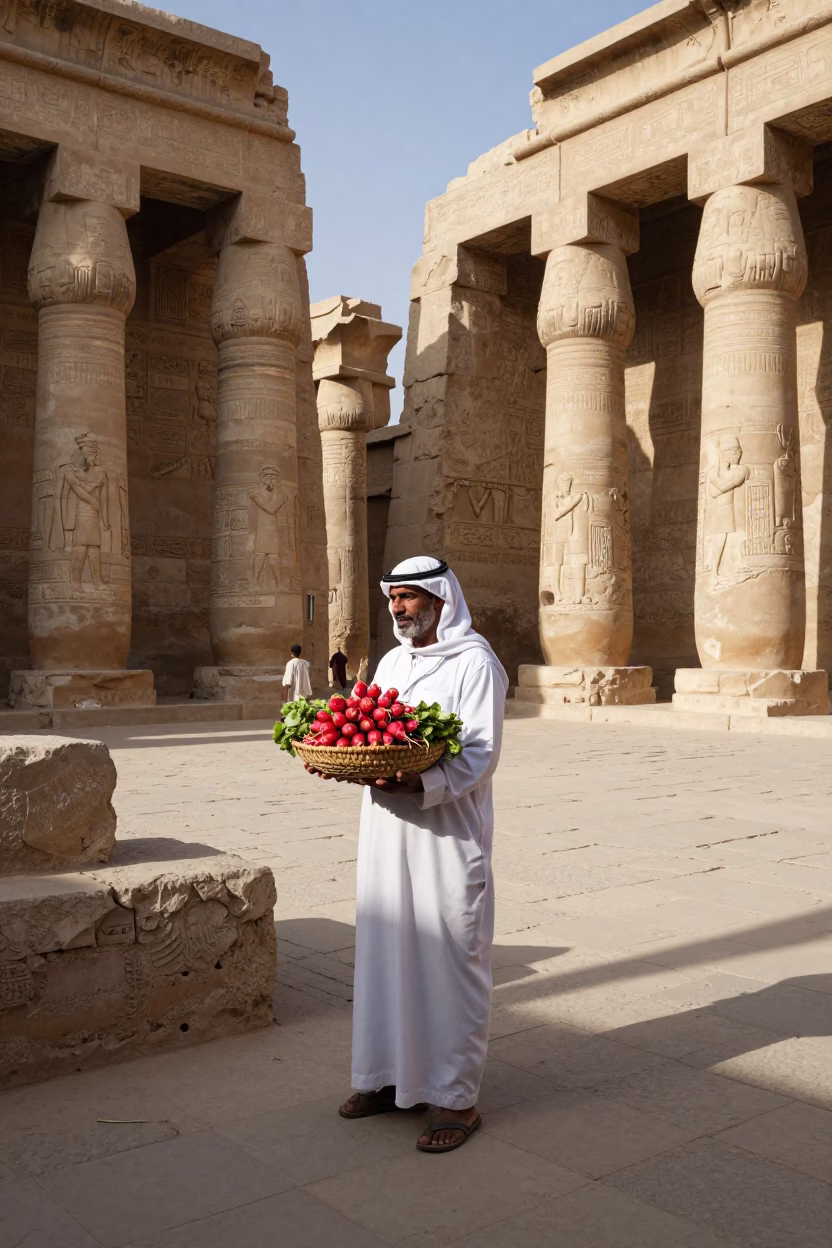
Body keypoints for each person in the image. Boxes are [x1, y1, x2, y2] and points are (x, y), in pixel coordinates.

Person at [307, 555, 508, 1153]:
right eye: (393, 598)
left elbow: (479, 754)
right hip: (386, 829)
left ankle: (455, 1098)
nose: (398, 608)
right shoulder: (393, 661)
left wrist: (424, 782)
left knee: (450, 957)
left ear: (442, 599)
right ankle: (381, 1077)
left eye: (410, 598)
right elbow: (369, 727)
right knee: (384, 950)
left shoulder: (477, 663)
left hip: (446, 832)